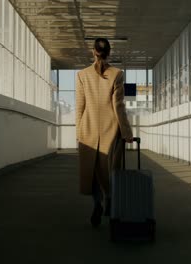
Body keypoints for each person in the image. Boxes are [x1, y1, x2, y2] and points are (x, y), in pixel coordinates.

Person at [75, 38, 133, 227]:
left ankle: (97, 203)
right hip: (111, 129)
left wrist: (78, 132)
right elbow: (119, 107)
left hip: (88, 129)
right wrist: (126, 132)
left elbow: (79, 107)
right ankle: (109, 198)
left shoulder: (82, 75)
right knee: (108, 170)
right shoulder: (117, 74)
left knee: (92, 171)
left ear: (93, 52)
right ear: (109, 53)